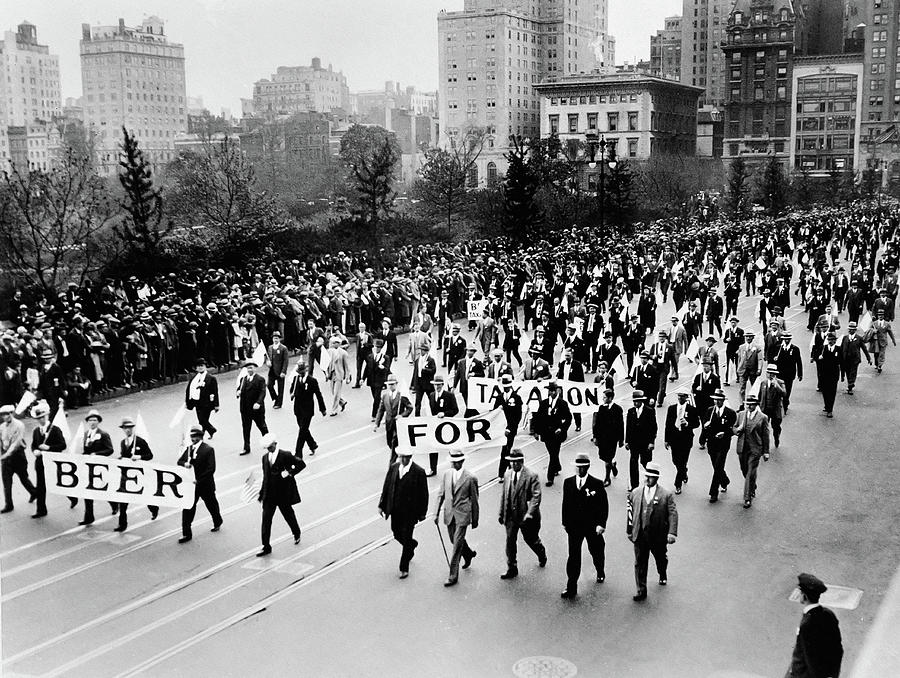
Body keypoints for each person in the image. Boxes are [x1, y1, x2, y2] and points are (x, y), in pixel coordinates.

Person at [626, 461, 678, 602]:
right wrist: (629, 531)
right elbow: (630, 513)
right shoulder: (636, 493)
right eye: (646, 476)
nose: (647, 479)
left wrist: (672, 533)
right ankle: (641, 590)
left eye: (651, 477)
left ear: (656, 478)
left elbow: (673, 513)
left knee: (660, 557)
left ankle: (662, 572)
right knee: (640, 562)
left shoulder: (666, 495)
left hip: (658, 536)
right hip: (640, 535)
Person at [560, 453, 608, 599]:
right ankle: (571, 587)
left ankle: (600, 569)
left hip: (592, 526)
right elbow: (565, 504)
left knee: (596, 550)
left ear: (588, 467)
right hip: (574, 527)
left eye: (583, 467)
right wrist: (565, 522)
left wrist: (601, 524)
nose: (580, 470)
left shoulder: (597, 484)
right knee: (574, 556)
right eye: (578, 467)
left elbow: (603, 506)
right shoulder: (568, 483)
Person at [379, 446, 429, 579]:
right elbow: (387, 486)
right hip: (395, 509)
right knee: (396, 533)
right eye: (402, 457)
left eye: (407, 457)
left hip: (410, 512)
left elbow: (424, 494)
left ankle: (404, 567)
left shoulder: (418, 471)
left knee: (406, 537)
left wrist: (422, 513)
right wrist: (381, 505)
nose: (404, 460)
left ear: (411, 457)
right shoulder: (394, 467)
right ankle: (412, 545)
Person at [498, 448, 546, 580]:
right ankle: (511, 568)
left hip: (526, 517)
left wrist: (530, 513)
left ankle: (541, 552)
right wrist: (501, 513)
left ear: (522, 461)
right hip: (511, 517)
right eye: (512, 462)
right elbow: (504, 495)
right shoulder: (507, 474)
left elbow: (536, 497)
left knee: (530, 540)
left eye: (516, 462)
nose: (513, 465)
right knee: (510, 542)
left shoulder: (531, 475)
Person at [434, 449, 479, 587]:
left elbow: (475, 499)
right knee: (453, 540)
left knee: (456, 545)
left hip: (463, 515)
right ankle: (469, 554)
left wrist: (475, 519)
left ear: (463, 461)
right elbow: (441, 494)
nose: (455, 464)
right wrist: (435, 513)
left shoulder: (471, 478)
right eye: (453, 462)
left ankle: (453, 575)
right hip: (449, 514)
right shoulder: (447, 474)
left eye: (458, 462)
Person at [785, 573, 843, 678]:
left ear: (804, 596)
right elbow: (837, 649)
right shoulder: (828, 614)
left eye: (801, 592)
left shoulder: (807, 624)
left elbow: (810, 659)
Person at [256, 433, 304, 557]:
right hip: (270, 495)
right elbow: (265, 477)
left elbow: (301, 464)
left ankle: (296, 532)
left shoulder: (286, 455)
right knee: (266, 520)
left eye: (271, 447)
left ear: (275, 444)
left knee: (288, 515)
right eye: (267, 448)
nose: (269, 450)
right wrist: (262, 493)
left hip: (283, 494)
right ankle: (266, 546)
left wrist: (290, 473)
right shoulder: (265, 458)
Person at [177, 424, 223, 543]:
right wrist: (185, 464)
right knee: (188, 507)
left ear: (200, 437)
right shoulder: (188, 450)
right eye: (192, 436)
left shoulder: (208, 449)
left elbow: (211, 469)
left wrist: (199, 480)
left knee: (211, 504)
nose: (193, 439)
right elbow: (179, 461)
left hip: (205, 485)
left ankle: (217, 521)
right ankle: (186, 533)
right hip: (192, 486)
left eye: (195, 436)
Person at [115, 416, 157, 531]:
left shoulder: (139, 441)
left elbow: (150, 455)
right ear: (123, 429)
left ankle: (154, 508)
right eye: (125, 428)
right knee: (123, 501)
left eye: (129, 427)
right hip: (126, 475)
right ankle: (122, 524)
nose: (127, 430)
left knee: (145, 496)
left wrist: (139, 457)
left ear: (133, 428)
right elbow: (124, 455)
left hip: (139, 475)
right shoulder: (123, 443)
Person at [733, 394, 771, 509]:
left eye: (752, 404)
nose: (749, 406)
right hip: (742, 448)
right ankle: (752, 486)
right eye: (747, 404)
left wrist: (766, 451)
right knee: (744, 470)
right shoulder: (740, 415)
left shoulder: (763, 417)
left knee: (750, 472)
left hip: (755, 450)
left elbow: (765, 435)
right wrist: (736, 431)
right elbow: (734, 427)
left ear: (756, 405)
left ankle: (747, 498)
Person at [29, 401, 66, 518]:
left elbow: (62, 445)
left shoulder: (55, 429)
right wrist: (34, 451)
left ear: (47, 416)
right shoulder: (36, 431)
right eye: (38, 418)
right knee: (40, 486)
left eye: (42, 417)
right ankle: (41, 510)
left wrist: (49, 448)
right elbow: (34, 445)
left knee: (61, 483)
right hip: (40, 463)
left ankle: (72, 497)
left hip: (53, 462)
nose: (40, 420)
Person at [534, 380, 572, 486]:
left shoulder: (562, 403)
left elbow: (568, 418)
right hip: (546, 433)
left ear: (557, 391)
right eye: (550, 391)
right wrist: (536, 431)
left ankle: (550, 477)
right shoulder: (544, 403)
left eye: (554, 390)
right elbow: (538, 417)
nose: (552, 393)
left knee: (553, 453)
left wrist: (562, 428)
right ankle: (557, 466)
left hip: (557, 433)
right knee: (552, 452)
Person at [79, 409, 114, 525]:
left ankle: (114, 504)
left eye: (95, 420)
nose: (92, 422)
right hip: (89, 467)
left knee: (103, 489)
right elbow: (86, 450)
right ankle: (88, 517)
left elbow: (110, 449)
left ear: (98, 422)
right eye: (90, 420)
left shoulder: (103, 434)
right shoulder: (86, 434)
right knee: (87, 491)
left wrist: (97, 454)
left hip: (100, 467)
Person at [702, 389, 736, 503]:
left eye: (719, 400)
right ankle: (724, 480)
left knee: (718, 466)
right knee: (716, 466)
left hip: (723, 444)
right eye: (715, 400)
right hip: (712, 443)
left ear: (723, 401)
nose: (717, 402)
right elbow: (705, 425)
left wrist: (725, 433)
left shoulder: (730, 413)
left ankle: (713, 493)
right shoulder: (710, 411)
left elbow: (733, 429)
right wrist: (706, 427)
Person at [1, 404, 36, 513]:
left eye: (7, 414)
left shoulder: (19, 425)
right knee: (6, 482)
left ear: (11, 414)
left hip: (18, 456)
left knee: (23, 478)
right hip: (6, 457)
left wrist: (5, 455)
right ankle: (9, 504)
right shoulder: (2, 427)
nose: (4, 417)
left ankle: (34, 492)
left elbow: (16, 444)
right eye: (3, 415)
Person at [664, 388, 699, 494]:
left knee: (683, 460)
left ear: (686, 398)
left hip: (686, 438)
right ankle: (684, 472)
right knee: (675, 460)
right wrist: (666, 440)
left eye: (683, 396)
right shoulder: (671, 408)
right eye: (679, 396)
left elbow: (697, 423)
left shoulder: (691, 409)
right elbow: (668, 425)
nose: (680, 398)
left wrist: (688, 423)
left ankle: (677, 484)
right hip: (674, 438)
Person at [289, 362, 326, 459]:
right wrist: (292, 394)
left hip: (307, 410)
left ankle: (298, 453)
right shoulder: (296, 379)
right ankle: (312, 444)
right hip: (298, 409)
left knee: (302, 431)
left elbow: (318, 395)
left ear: (305, 370)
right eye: (299, 371)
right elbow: (292, 389)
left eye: (302, 371)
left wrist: (322, 408)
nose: (300, 373)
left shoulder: (312, 380)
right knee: (304, 430)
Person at [374, 375, 414, 465]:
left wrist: (402, 415)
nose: (391, 386)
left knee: (394, 443)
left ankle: (391, 465)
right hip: (389, 425)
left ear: (396, 384)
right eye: (389, 384)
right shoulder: (385, 396)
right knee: (390, 443)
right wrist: (377, 423)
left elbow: (410, 408)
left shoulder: (401, 396)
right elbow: (381, 410)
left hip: (399, 426)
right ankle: (399, 457)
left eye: (392, 384)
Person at [491, 373, 523, 480]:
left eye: (507, 387)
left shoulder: (516, 398)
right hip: (501, 428)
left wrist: (510, 428)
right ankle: (509, 466)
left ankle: (501, 473)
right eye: (504, 387)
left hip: (510, 429)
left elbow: (517, 416)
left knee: (505, 450)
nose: (505, 389)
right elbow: (494, 413)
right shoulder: (499, 397)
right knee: (506, 450)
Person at [427, 374, 459, 476]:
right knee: (433, 447)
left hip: (447, 425)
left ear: (442, 385)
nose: (437, 387)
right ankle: (433, 468)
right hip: (436, 426)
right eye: (435, 385)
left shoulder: (449, 395)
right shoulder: (431, 396)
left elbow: (455, 410)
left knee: (450, 447)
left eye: (439, 385)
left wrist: (445, 414)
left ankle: (455, 467)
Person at [625, 390, 657, 491]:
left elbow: (653, 428)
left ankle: (651, 482)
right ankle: (634, 485)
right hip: (634, 443)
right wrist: (627, 441)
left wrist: (652, 442)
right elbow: (628, 427)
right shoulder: (631, 411)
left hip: (645, 442)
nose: (635, 403)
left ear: (642, 401)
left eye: (637, 401)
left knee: (645, 463)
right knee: (633, 463)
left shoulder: (649, 411)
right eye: (634, 401)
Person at [591, 388, 624, 486]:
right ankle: (612, 465)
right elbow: (597, 424)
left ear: (610, 398)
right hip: (602, 438)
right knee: (604, 457)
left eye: (604, 397)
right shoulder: (601, 408)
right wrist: (595, 437)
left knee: (608, 458)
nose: (603, 399)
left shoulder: (617, 409)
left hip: (612, 439)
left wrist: (621, 439)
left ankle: (607, 478)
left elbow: (620, 425)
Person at [238, 359, 268, 455]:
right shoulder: (243, 379)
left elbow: (263, 392)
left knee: (262, 426)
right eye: (248, 368)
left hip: (256, 409)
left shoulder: (260, 379)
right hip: (245, 409)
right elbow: (240, 389)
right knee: (246, 429)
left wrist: (258, 403)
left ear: (255, 368)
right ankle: (246, 447)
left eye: (251, 368)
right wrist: (238, 392)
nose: (249, 370)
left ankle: (269, 442)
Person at [185, 358, 219, 439]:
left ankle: (208, 431)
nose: (200, 368)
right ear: (196, 368)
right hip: (197, 402)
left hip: (207, 403)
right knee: (201, 420)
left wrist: (216, 405)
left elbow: (215, 392)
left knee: (203, 420)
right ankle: (210, 431)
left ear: (205, 367)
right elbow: (188, 390)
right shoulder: (193, 378)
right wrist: (187, 402)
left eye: (202, 366)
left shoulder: (211, 378)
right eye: (198, 366)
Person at [814, 332, 843, 418]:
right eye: (829, 340)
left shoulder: (838, 349)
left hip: (834, 374)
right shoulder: (823, 348)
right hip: (824, 374)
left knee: (832, 392)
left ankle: (830, 409)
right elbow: (816, 358)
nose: (831, 341)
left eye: (833, 340)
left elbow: (842, 362)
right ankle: (826, 405)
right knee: (825, 391)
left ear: (835, 341)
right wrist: (818, 358)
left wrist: (842, 375)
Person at [362, 337, 392, 420]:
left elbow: (387, 369)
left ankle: (375, 415)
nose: (377, 349)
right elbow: (367, 368)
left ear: (381, 348)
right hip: (371, 380)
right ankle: (384, 408)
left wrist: (383, 368)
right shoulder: (370, 356)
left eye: (378, 347)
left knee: (376, 398)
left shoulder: (385, 358)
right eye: (375, 347)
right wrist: (362, 379)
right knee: (376, 398)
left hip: (380, 380)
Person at [773, 332, 803, 414]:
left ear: (790, 339)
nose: (786, 340)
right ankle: (782, 403)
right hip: (780, 373)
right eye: (785, 339)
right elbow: (773, 361)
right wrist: (775, 359)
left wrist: (800, 374)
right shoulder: (778, 348)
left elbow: (798, 362)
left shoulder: (795, 349)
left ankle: (785, 404)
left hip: (790, 374)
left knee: (787, 390)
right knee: (779, 389)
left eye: (788, 339)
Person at [839, 321, 871, 395]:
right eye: (849, 329)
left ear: (855, 330)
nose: (850, 330)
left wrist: (868, 358)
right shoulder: (845, 338)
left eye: (852, 329)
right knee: (848, 372)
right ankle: (849, 383)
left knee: (853, 373)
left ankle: (850, 386)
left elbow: (864, 349)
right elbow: (841, 348)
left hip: (855, 359)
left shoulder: (859, 338)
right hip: (846, 359)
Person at [758, 365, 786, 447]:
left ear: (775, 374)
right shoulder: (763, 383)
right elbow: (760, 396)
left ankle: (776, 438)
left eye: (772, 373)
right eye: (769, 373)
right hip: (765, 409)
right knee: (764, 428)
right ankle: (764, 444)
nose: (770, 375)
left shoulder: (780, 382)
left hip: (775, 409)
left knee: (776, 427)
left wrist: (777, 386)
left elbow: (784, 393)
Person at [648, 329, 677, 405]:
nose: (661, 338)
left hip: (664, 367)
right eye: (660, 337)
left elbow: (673, 360)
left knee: (662, 384)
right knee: (655, 384)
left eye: (663, 337)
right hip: (655, 367)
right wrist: (653, 356)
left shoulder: (669, 347)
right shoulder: (655, 346)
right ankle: (662, 393)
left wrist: (675, 372)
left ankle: (660, 401)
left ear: (665, 338)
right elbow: (649, 355)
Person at [325, 336, 351, 416]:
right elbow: (325, 364)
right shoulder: (329, 352)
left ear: (338, 344)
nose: (332, 344)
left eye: (334, 343)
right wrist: (326, 373)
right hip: (331, 374)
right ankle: (342, 402)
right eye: (332, 343)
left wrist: (347, 377)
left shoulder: (343, 353)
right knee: (333, 392)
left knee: (336, 393)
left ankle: (334, 410)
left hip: (339, 374)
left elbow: (347, 366)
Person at [264, 331, 290, 409]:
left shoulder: (283, 348)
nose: (275, 340)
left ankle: (279, 403)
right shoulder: (270, 347)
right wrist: (267, 362)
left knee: (280, 388)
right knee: (269, 385)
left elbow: (286, 361)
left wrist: (283, 371)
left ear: (279, 339)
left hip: (280, 370)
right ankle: (275, 397)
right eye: (274, 338)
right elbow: (268, 358)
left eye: (277, 338)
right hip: (272, 370)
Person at [411, 344, 437, 416]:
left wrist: (425, 370)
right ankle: (417, 417)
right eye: (421, 350)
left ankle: (434, 415)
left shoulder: (431, 360)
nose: (421, 352)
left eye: (423, 350)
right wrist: (413, 384)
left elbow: (433, 371)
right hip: (419, 384)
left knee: (432, 401)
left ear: (426, 351)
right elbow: (415, 372)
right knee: (418, 402)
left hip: (428, 384)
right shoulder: (417, 360)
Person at [868, 309, 896, 374]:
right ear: (877, 316)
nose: (880, 316)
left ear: (884, 316)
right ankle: (876, 364)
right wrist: (873, 331)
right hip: (876, 341)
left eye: (881, 315)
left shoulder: (887, 324)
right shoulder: (874, 323)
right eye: (879, 315)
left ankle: (880, 366)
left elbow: (890, 333)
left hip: (883, 341)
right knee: (876, 354)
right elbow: (869, 330)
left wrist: (893, 340)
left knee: (882, 354)